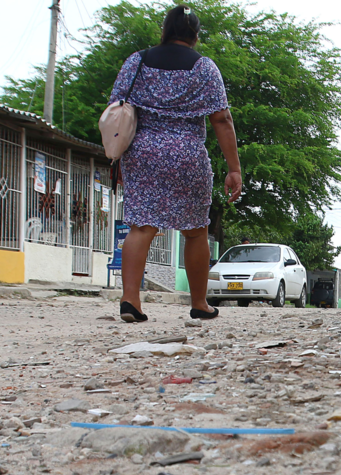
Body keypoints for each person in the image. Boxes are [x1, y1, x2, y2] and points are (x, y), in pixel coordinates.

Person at [110, 5, 241, 322]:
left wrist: (117, 156)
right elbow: (221, 119)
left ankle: (131, 300)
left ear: (164, 30)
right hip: (187, 154)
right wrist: (233, 167)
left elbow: (117, 107)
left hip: (142, 152)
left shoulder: (137, 61)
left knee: (141, 226)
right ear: (195, 36)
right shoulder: (204, 68)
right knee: (196, 231)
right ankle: (199, 303)